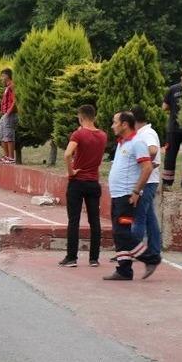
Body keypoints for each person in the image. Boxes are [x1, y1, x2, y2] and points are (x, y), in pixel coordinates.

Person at [104, 111, 161, 281]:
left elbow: (147, 168)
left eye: (115, 122)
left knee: (123, 233)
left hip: (127, 196)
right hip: (118, 195)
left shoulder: (137, 143)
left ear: (124, 124)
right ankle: (124, 270)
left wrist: (136, 191)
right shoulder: (123, 143)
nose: (112, 125)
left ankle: (151, 258)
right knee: (119, 232)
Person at [59, 105, 107, 268]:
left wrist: (71, 171)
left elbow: (67, 154)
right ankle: (94, 258)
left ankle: (71, 257)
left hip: (77, 181)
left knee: (74, 220)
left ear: (81, 117)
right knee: (95, 221)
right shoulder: (102, 135)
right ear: (94, 116)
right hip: (93, 182)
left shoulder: (78, 134)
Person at [130, 106, 162, 261]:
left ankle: (133, 250)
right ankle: (154, 250)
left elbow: (153, 149)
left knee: (139, 217)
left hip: (147, 181)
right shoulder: (141, 133)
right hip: (148, 180)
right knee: (149, 218)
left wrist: (139, 158)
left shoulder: (147, 133)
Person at [0, 68, 17, 164]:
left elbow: (15, 99)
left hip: (10, 114)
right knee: (1, 135)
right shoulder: (7, 87)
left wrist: (9, 111)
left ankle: (11, 157)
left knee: (8, 135)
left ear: (7, 76)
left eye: (2, 76)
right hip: (5, 114)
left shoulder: (12, 85)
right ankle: (6, 156)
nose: (1, 78)